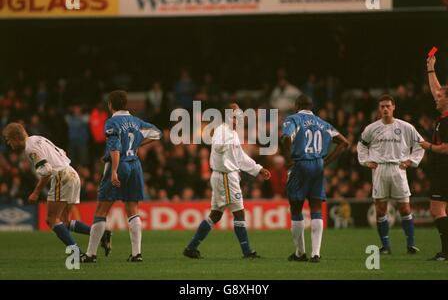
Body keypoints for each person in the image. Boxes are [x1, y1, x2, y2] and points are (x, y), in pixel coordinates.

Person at [2, 123, 110, 255]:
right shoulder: (37, 138)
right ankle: (102, 234)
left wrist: (36, 192)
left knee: (51, 220)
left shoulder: (30, 149)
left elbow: (47, 171)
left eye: (9, 140)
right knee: (65, 221)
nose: (9, 144)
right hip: (72, 173)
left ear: (15, 138)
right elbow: (62, 152)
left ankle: (76, 253)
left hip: (61, 176)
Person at [81, 90, 162, 263]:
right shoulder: (136, 121)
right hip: (135, 164)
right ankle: (136, 254)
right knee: (132, 209)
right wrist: (138, 144)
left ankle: (90, 254)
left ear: (110, 104)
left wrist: (114, 171)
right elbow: (157, 133)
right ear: (126, 104)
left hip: (120, 164)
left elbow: (115, 149)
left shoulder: (112, 122)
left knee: (101, 210)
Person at [183, 103, 271, 259]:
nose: (239, 118)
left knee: (215, 215)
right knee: (239, 213)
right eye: (236, 115)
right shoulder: (222, 131)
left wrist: (258, 169)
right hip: (225, 176)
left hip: (224, 175)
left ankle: (191, 248)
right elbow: (217, 146)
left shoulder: (232, 132)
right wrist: (225, 142)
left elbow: (240, 157)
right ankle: (247, 252)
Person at [281, 94, 349, 263]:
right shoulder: (322, 123)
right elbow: (344, 143)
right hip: (318, 165)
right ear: (311, 107)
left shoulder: (293, 119)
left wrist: (289, 160)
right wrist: (325, 161)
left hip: (301, 164)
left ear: (297, 106)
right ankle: (316, 254)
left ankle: (300, 253)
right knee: (316, 209)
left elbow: (286, 137)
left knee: (296, 209)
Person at [358, 94, 425, 255]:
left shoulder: (406, 127)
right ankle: (385, 247)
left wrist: (410, 161)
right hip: (380, 169)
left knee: (404, 208)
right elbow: (361, 146)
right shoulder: (371, 128)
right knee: (381, 209)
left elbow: (420, 144)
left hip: (398, 169)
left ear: (394, 107)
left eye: (388, 106)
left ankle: (410, 245)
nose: (385, 109)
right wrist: (366, 161)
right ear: (379, 109)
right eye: (382, 106)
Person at [419, 55, 448, 261]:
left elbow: (446, 148)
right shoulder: (443, 118)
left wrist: (427, 146)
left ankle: (446, 252)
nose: (436, 98)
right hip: (441, 169)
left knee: (436, 208)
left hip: (444, 169)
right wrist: (431, 69)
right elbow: (436, 90)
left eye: (440, 97)